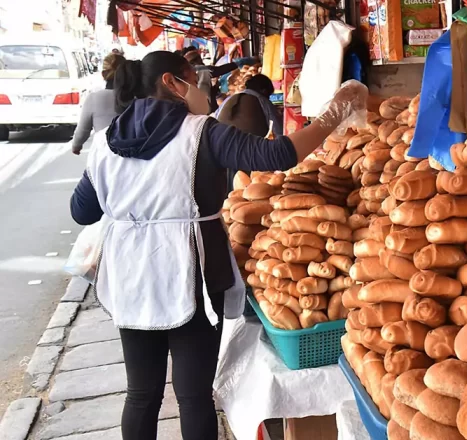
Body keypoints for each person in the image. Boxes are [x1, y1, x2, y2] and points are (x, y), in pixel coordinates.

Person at [68, 51, 366, 440]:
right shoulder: (200, 133)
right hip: (188, 272)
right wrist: (336, 113)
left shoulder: (107, 143)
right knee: (192, 397)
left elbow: (81, 211)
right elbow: (279, 154)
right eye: (194, 77)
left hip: (129, 277)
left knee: (141, 394)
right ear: (172, 83)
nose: (202, 87)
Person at [216, 74, 282, 190]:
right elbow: (279, 131)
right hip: (249, 155)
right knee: (248, 189)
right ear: (264, 90)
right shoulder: (262, 100)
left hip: (222, 153)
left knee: (232, 192)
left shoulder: (228, 99)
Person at [70, 53, 126, 154]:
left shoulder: (94, 98)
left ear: (103, 74)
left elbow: (83, 130)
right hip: (132, 156)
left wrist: (76, 146)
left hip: (103, 155)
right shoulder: (136, 97)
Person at [183, 47, 257, 112]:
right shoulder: (198, 69)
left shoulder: (188, 78)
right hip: (208, 108)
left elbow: (208, 92)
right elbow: (220, 70)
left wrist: (215, 88)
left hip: (209, 109)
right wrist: (245, 61)